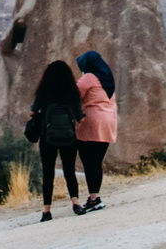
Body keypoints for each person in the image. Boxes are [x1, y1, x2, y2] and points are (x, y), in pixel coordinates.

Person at [28, 60, 82, 220]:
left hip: (47, 137)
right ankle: (76, 203)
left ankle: (47, 210)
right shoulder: (73, 92)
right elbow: (79, 117)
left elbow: (33, 111)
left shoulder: (44, 91)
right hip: (69, 137)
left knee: (48, 173)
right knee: (69, 171)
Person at [73, 52, 118, 211]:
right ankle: (95, 197)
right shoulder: (107, 77)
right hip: (108, 123)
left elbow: (74, 94)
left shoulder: (89, 78)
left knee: (89, 161)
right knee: (97, 162)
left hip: (92, 123)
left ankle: (94, 199)